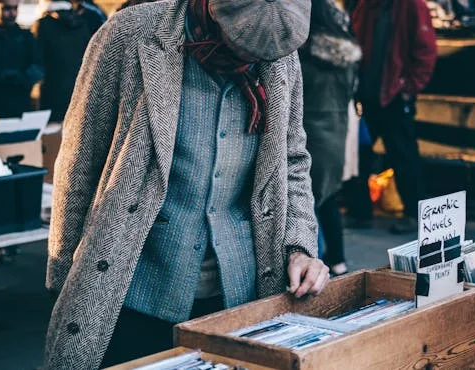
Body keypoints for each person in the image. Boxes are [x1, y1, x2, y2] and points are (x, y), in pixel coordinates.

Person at [43, 0, 329, 367]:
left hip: (239, 297)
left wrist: (299, 247)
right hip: (130, 288)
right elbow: (79, 158)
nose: (252, 63)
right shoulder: (129, 34)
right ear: (213, 11)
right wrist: (64, 278)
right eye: (241, 47)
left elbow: (292, 162)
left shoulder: (278, 57)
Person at [352, 0, 438, 233]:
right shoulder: (367, 6)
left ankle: (414, 215)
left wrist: (408, 90)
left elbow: (425, 51)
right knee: (359, 156)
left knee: (404, 157)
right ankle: (360, 212)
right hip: (369, 96)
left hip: (394, 97)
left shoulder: (411, 6)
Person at [300, 0, 361, 275]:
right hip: (337, 130)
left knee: (304, 201)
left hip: (307, 131)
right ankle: (337, 260)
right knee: (327, 197)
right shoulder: (345, 55)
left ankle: (317, 260)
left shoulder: (302, 53)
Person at [32, 0, 93, 123]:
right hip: (78, 92)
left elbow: (36, 61)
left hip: (51, 93)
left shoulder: (43, 25)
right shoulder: (82, 24)